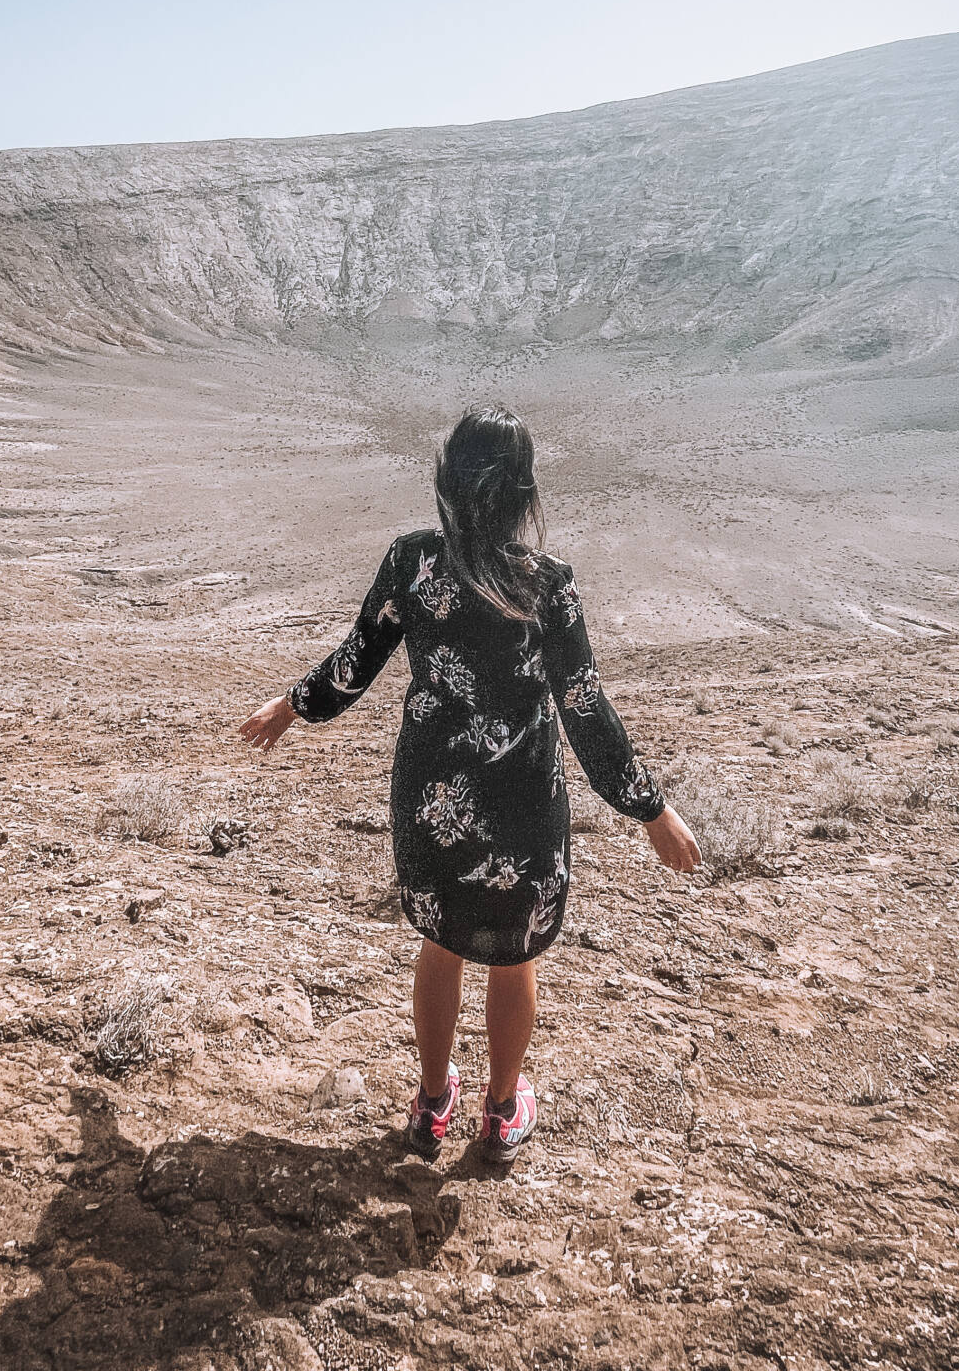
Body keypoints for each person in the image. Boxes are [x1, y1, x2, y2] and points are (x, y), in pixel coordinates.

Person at [237, 406, 701, 1164]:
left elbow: (355, 664)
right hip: (523, 799)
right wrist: (651, 809)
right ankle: (500, 1111)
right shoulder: (546, 585)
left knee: (441, 947)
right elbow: (582, 707)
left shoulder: (410, 562)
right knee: (514, 958)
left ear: (448, 482)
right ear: (522, 493)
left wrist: (293, 707)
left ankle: (429, 1106)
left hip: (431, 799)